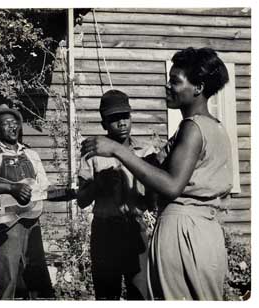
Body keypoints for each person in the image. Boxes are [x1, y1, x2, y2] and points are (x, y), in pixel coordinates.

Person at [80, 47, 233, 300]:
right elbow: (158, 167)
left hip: (183, 230)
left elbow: (172, 186)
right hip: (205, 231)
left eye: (175, 81)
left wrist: (118, 151)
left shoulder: (191, 128)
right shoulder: (213, 126)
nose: (167, 86)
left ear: (198, 88)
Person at [0, 104, 55, 299]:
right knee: (7, 275)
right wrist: (11, 188)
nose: (13, 127)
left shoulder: (31, 155)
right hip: (5, 222)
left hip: (31, 220)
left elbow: (43, 187)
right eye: (7, 124)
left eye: (15, 124)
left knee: (36, 273)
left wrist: (67, 193)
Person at [77, 89, 155, 300]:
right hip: (104, 231)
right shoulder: (92, 153)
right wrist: (98, 185)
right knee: (106, 294)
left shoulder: (145, 152)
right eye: (114, 119)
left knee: (140, 292)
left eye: (125, 117)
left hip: (134, 228)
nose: (122, 123)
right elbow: (81, 201)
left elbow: (152, 201)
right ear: (103, 124)